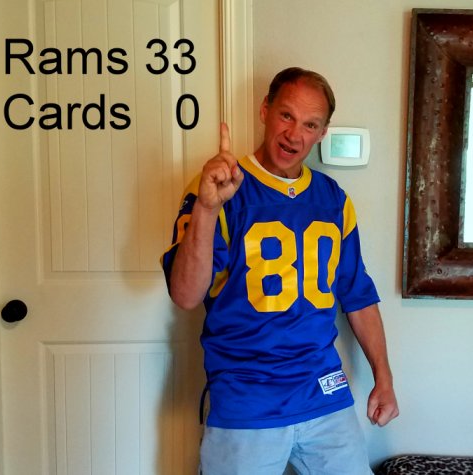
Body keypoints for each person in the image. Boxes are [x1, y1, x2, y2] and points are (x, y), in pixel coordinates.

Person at [161, 67, 398, 474]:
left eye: (310, 124)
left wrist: (384, 377)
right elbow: (185, 295)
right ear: (265, 110)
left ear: (322, 133)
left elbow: (357, 295)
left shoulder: (333, 199)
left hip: (323, 393)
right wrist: (207, 208)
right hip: (245, 400)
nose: (294, 134)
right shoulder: (219, 187)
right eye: (286, 115)